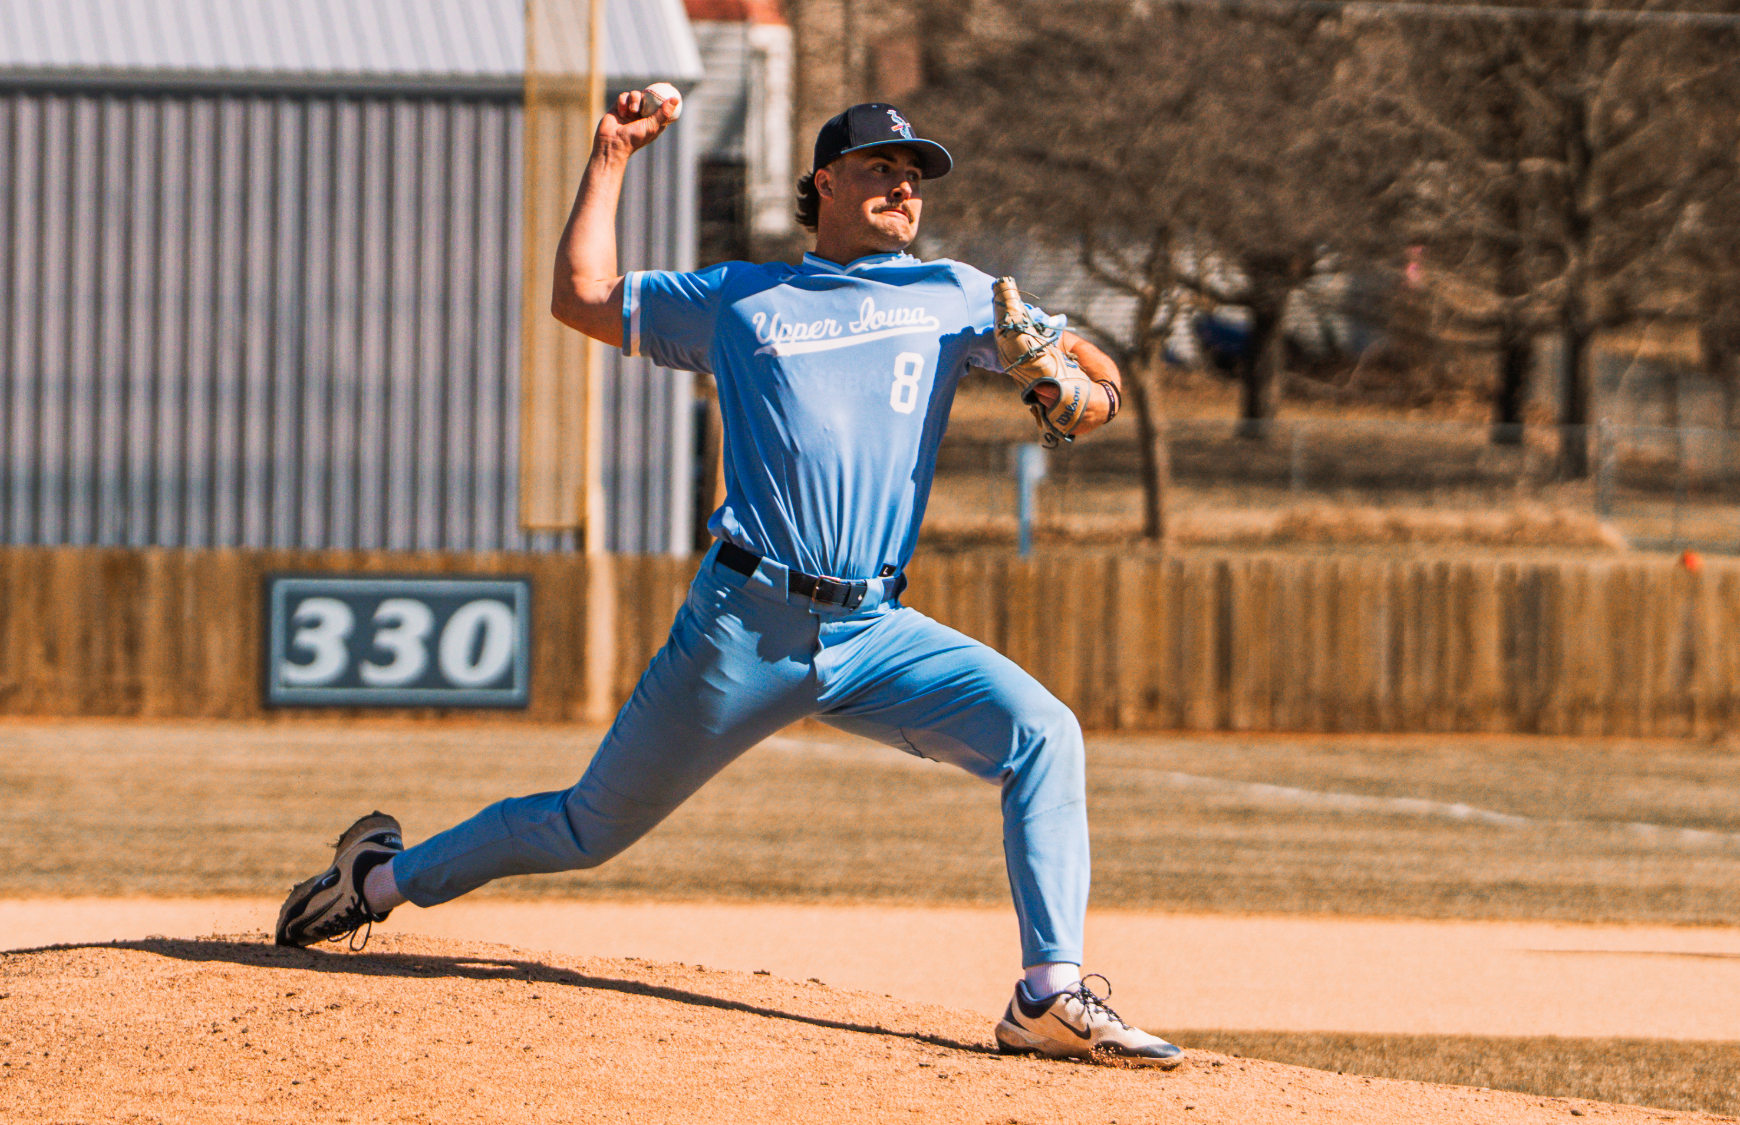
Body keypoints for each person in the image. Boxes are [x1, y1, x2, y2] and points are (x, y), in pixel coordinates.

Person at [274, 96, 1181, 1069]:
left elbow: (1087, 363)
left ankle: (1045, 995)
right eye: (880, 165)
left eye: (914, 170)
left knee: (1041, 731)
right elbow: (580, 295)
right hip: (742, 626)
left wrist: (1076, 385)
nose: (903, 183)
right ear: (825, 181)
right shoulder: (741, 297)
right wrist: (611, 157)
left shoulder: (953, 293)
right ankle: (375, 881)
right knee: (586, 827)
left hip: (876, 631)